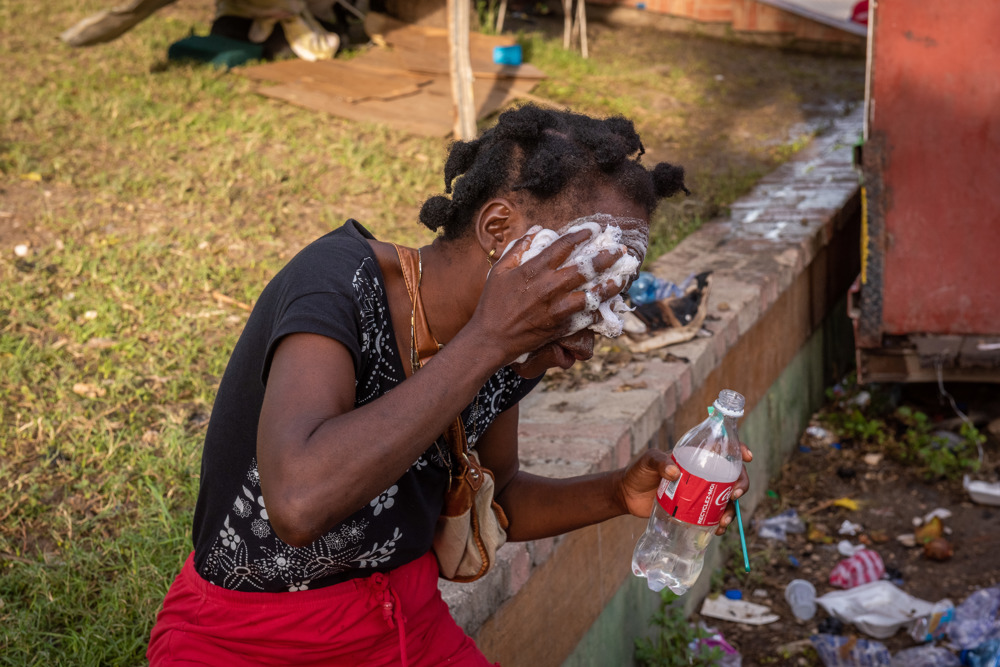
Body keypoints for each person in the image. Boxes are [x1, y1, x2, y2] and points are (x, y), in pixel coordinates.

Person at [147, 103, 753, 666]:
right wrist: (487, 342)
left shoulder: (510, 343)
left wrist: (619, 494)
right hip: (245, 639)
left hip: (405, 621)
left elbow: (500, 493)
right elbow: (299, 504)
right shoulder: (339, 282)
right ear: (498, 227)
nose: (596, 329)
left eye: (614, 293)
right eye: (587, 283)